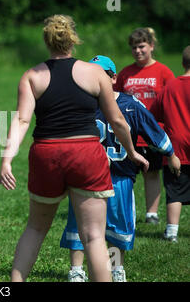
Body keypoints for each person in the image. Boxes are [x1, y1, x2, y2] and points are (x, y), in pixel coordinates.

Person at [0, 15, 148, 282]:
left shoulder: (32, 75)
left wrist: (7, 159)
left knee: (35, 228)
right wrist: (132, 152)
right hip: (86, 154)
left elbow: (21, 120)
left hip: (47, 154)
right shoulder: (95, 73)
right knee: (93, 236)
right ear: (73, 40)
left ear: (46, 41)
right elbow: (117, 120)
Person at [60, 55, 181, 282]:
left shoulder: (130, 105)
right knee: (79, 221)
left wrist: (171, 154)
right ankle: (76, 270)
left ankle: (116, 269)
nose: (94, 79)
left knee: (117, 226)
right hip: (85, 176)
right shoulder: (79, 104)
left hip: (119, 176)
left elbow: (154, 130)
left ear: (113, 78)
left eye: (101, 74)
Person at [114, 27, 175, 224]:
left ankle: (152, 213)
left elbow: (171, 100)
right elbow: (113, 98)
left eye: (142, 46)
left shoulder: (163, 72)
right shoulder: (125, 74)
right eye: (134, 48)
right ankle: (125, 212)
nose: (138, 51)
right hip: (128, 132)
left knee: (152, 172)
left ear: (151, 46)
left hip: (152, 131)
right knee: (126, 174)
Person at [150, 45, 190, 243]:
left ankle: (172, 232)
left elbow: (154, 115)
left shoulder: (169, 87)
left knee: (175, 191)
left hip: (176, 150)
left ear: (183, 64)